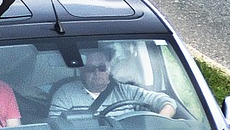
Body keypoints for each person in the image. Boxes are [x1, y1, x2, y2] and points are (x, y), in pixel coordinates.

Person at [49, 47, 178, 125]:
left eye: (101, 67)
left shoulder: (128, 92)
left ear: (109, 69)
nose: (96, 72)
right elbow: (54, 127)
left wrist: (161, 122)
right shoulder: (64, 95)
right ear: (82, 71)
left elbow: (167, 102)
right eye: (90, 68)